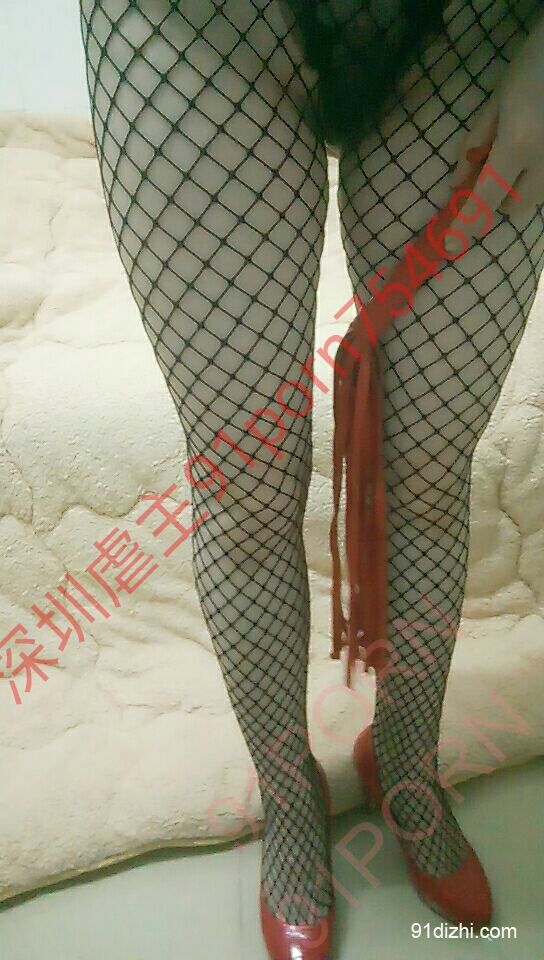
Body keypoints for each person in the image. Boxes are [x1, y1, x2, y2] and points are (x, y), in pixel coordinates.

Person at [78, 2, 544, 957]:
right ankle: (290, 799)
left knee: (428, 469)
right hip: (195, 23)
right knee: (243, 490)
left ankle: (403, 762)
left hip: (483, 18)